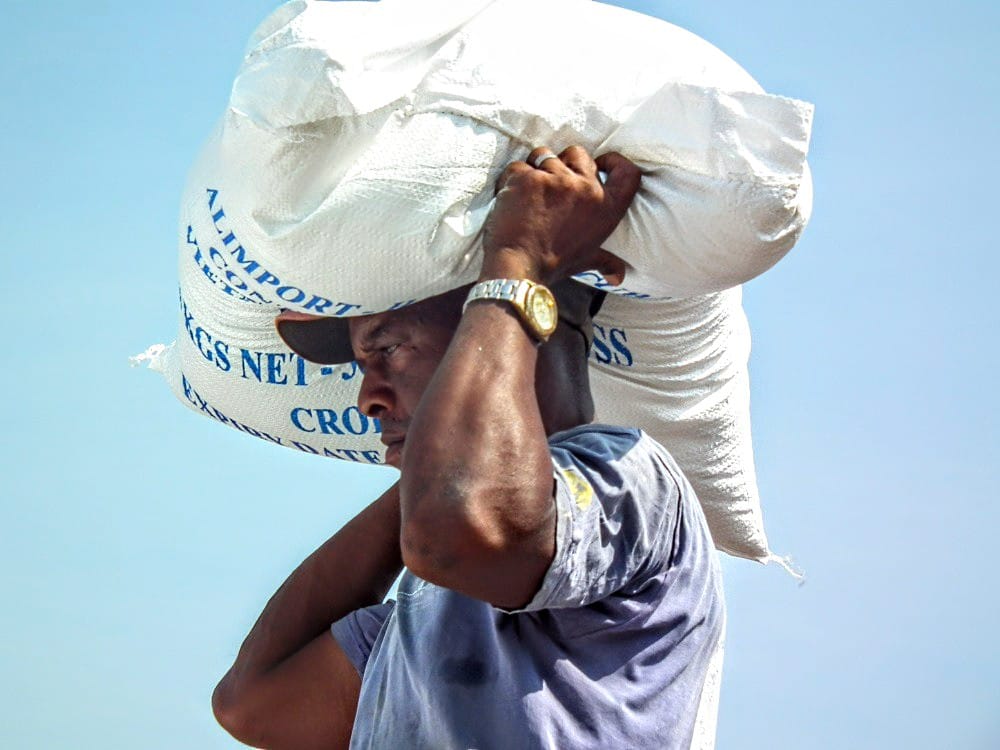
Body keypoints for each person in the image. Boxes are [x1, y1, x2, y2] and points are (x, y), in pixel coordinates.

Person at [211, 146, 724, 749]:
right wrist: (433, 462)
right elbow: (254, 703)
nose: (367, 400)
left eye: (390, 349)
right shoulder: (431, 617)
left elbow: (463, 531)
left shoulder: (631, 480)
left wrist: (515, 263)